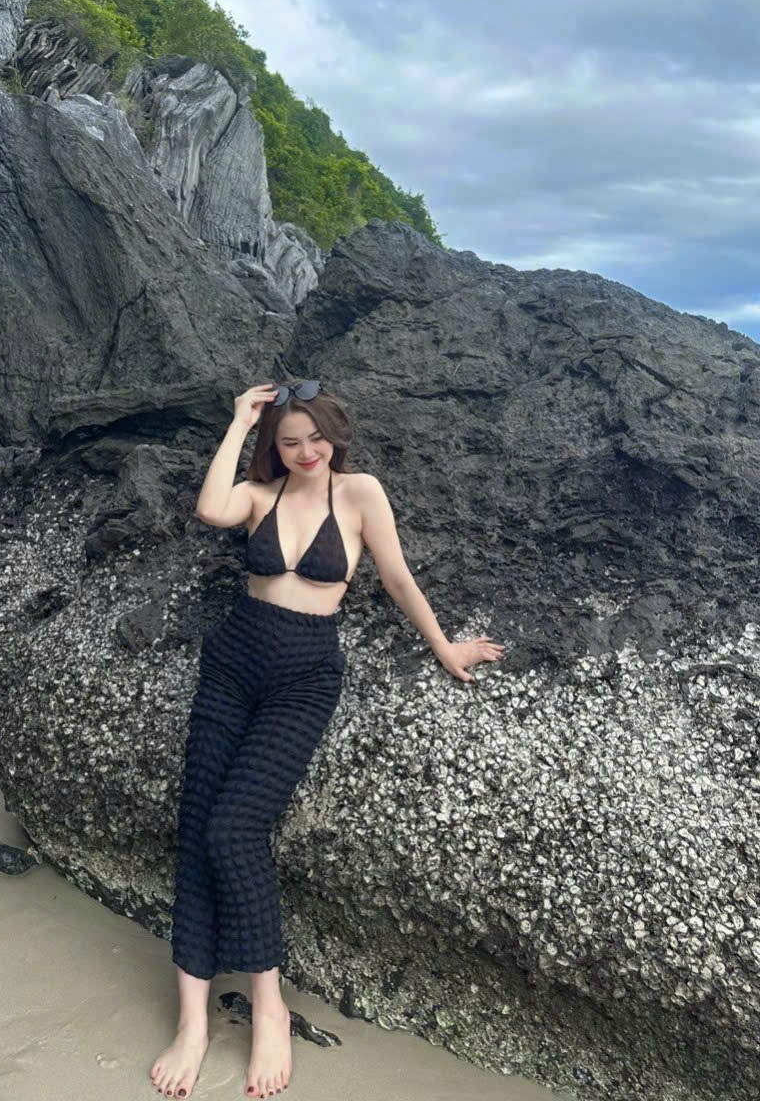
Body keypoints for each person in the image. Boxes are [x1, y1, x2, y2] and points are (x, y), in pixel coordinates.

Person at [150, 379, 504, 1100]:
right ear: (275, 447)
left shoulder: (360, 492)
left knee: (233, 829)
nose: (306, 451)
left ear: (334, 437)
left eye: (315, 438)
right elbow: (210, 508)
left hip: (304, 678)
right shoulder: (260, 495)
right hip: (231, 665)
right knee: (195, 831)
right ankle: (192, 1022)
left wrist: (444, 646)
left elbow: (396, 577)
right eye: (290, 441)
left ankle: (269, 1008)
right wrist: (240, 421)